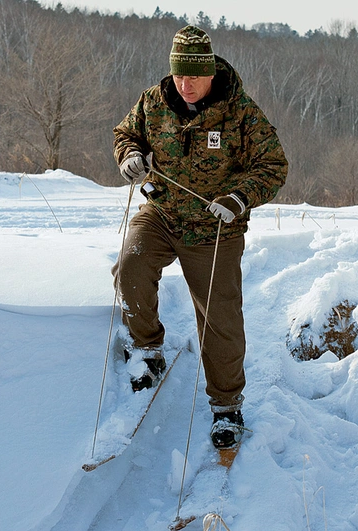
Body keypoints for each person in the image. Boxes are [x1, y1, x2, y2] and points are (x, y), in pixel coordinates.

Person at [112, 25, 288, 449]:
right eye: (178, 76)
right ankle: (147, 349)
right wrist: (131, 157)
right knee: (130, 265)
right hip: (162, 213)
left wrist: (239, 198)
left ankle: (226, 407)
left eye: (193, 76)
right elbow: (125, 134)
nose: (185, 84)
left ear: (210, 73)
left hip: (215, 230)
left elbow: (274, 166)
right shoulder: (154, 101)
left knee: (220, 318)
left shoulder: (240, 112)